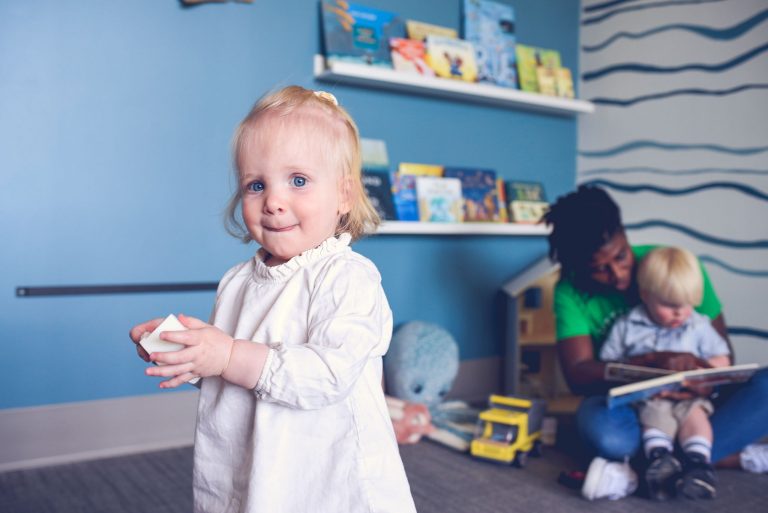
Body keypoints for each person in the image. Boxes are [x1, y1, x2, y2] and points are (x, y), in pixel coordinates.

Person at [129, 86, 416, 513]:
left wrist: (226, 356)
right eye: (256, 185)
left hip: (324, 475)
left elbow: (327, 375)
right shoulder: (237, 281)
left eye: (298, 181)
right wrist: (186, 353)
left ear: (345, 196)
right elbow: (229, 373)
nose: (274, 202)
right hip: (251, 463)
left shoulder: (347, 278)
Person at [542, 185, 768, 500]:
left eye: (621, 256)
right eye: (599, 270)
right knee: (604, 432)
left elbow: (724, 354)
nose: (619, 275)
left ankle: (645, 469)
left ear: (625, 234)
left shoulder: (672, 266)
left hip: (695, 404)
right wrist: (649, 363)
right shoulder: (570, 291)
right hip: (635, 408)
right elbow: (579, 374)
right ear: (578, 269)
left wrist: (704, 383)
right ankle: (708, 459)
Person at [600, 246, 730, 500]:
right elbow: (609, 364)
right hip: (653, 398)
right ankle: (659, 461)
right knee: (655, 419)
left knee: (696, 418)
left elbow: (722, 357)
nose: (680, 313)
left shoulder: (698, 325)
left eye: (687, 305)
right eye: (670, 306)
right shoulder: (628, 326)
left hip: (690, 397)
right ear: (646, 295)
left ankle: (698, 464)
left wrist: (705, 372)